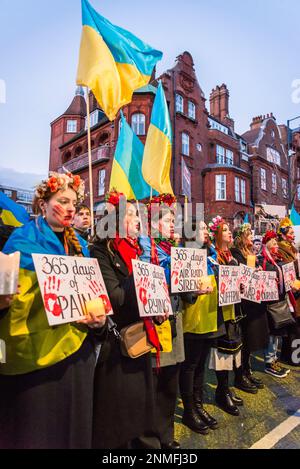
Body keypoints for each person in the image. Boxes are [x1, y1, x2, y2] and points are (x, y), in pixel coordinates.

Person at [0, 172, 106, 449]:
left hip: (77, 355)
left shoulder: (83, 247)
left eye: (74, 201)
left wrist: (99, 322)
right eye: (62, 200)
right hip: (35, 360)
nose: (71, 207)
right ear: (43, 204)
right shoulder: (19, 242)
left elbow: (95, 298)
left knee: (73, 429)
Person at [91, 190, 160, 450]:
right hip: (117, 344)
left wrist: (157, 307)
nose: (138, 220)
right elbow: (117, 298)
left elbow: (148, 295)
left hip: (140, 336)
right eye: (131, 215)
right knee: (118, 413)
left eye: (137, 215)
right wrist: (140, 271)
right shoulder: (101, 251)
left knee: (139, 405)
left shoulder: (136, 250)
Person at [139, 194, 202, 447]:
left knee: (169, 382)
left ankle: (166, 435)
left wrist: (193, 290)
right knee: (154, 384)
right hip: (154, 324)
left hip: (174, 320)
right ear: (154, 225)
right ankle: (150, 438)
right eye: (170, 220)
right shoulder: (146, 248)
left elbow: (182, 288)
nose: (176, 225)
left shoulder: (174, 250)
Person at [180, 220, 219, 432]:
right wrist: (195, 293)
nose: (206, 232)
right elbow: (182, 290)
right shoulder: (185, 255)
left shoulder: (209, 255)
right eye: (202, 229)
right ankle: (188, 410)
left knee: (201, 366)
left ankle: (198, 405)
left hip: (208, 318)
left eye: (206, 228)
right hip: (192, 320)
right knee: (190, 366)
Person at [207, 217, 244, 416]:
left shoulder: (231, 256)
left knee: (231, 348)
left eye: (230, 230)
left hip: (232, 309)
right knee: (222, 350)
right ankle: (221, 391)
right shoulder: (214, 257)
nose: (230, 232)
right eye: (226, 230)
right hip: (220, 311)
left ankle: (226, 388)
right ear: (217, 235)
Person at [231, 223, 268, 392]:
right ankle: (240, 375)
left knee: (249, 341)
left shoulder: (251, 253)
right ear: (242, 238)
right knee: (243, 341)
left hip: (251, 303)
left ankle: (247, 371)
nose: (252, 238)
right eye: (249, 235)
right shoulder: (235, 253)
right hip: (242, 304)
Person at [259, 230, 291, 377]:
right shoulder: (263, 260)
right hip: (270, 303)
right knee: (272, 333)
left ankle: (273, 360)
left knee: (277, 332)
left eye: (276, 242)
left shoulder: (276, 259)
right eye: (272, 242)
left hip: (278, 301)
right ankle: (269, 362)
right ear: (266, 245)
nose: (276, 245)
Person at [276, 218, 300, 366]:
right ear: (284, 235)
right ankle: (293, 357)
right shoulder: (280, 249)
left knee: (296, 325)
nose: (293, 235)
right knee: (294, 326)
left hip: (297, 288)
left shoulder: (293, 248)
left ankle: (291, 354)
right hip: (291, 291)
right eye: (291, 233)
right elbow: (286, 269)